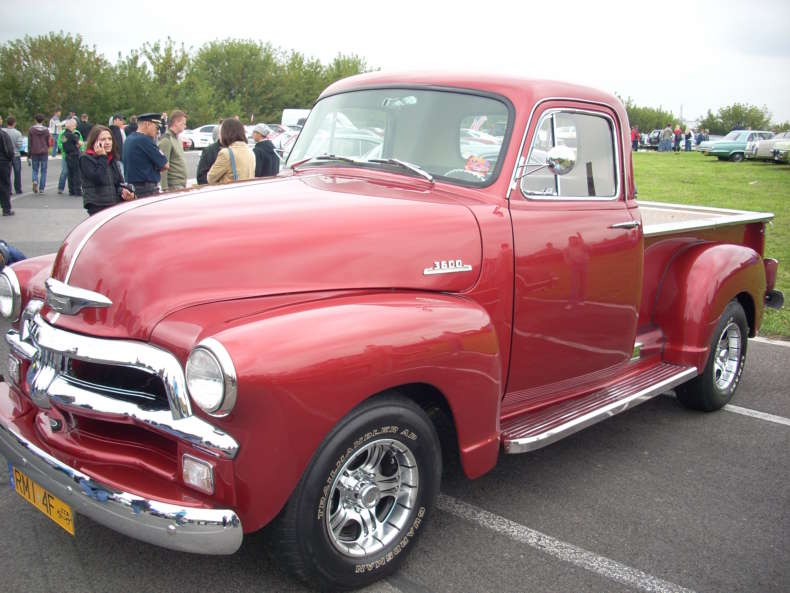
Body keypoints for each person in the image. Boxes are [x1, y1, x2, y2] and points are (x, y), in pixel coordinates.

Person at [80, 125, 136, 215]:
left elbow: (118, 183)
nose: (107, 142)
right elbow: (98, 179)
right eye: (103, 139)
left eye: (110, 139)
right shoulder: (86, 158)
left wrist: (124, 191)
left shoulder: (111, 158)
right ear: (95, 142)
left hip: (114, 204)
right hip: (97, 205)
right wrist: (102, 157)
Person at [122, 112, 169, 198]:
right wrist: (156, 167)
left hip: (132, 188)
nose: (157, 131)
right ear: (147, 124)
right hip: (146, 189)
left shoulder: (129, 139)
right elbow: (165, 165)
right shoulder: (145, 140)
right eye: (156, 127)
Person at [207, 118, 255, 184]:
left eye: (220, 132)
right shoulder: (250, 151)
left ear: (226, 133)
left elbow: (210, 178)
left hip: (230, 189)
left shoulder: (226, 153)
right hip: (246, 188)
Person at [158, 110, 188, 191]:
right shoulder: (166, 140)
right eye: (183, 124)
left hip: (181, 184)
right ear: (176, 123)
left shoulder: (177, 139)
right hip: (173, 185)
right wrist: (164, 188)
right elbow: (163, 165)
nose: (185, 126)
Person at [27, 113, 51, 194]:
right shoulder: (46, 130)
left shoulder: (31, 130)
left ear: (35, 120)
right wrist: (47, 147)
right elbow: (48, 141)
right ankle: (42, 188)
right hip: (44, 151)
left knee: (35, 169)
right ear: (43, 120)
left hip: (34, 151)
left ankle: (35, 180)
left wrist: (29, 154)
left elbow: (30, 143)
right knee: (44, 171)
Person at [60, 119, 82, 196]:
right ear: (71, 126)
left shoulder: (64, 135)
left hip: (67, 155)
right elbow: (80, 143)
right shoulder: (72, 135)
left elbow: (63, 144)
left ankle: (71, 190)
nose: (75, 127)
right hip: (74, 155)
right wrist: (78, 145)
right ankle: (77, 191)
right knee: (77, 173)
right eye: (74, 126)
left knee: (70, 174)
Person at [3, 116, 24, 195]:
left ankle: (8, 189)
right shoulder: (17, 133)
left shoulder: (3, 132)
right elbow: (19, 145)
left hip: (6, 155)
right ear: (14, 123)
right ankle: (18, 189)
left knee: (7, 173)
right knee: (17, 173)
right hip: (15, 154)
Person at [0, 126, 15, 215]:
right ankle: (6, 209)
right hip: (3, 162)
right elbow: (9, 150)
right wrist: (9, 159)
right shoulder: (3, 134)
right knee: (4, 185)